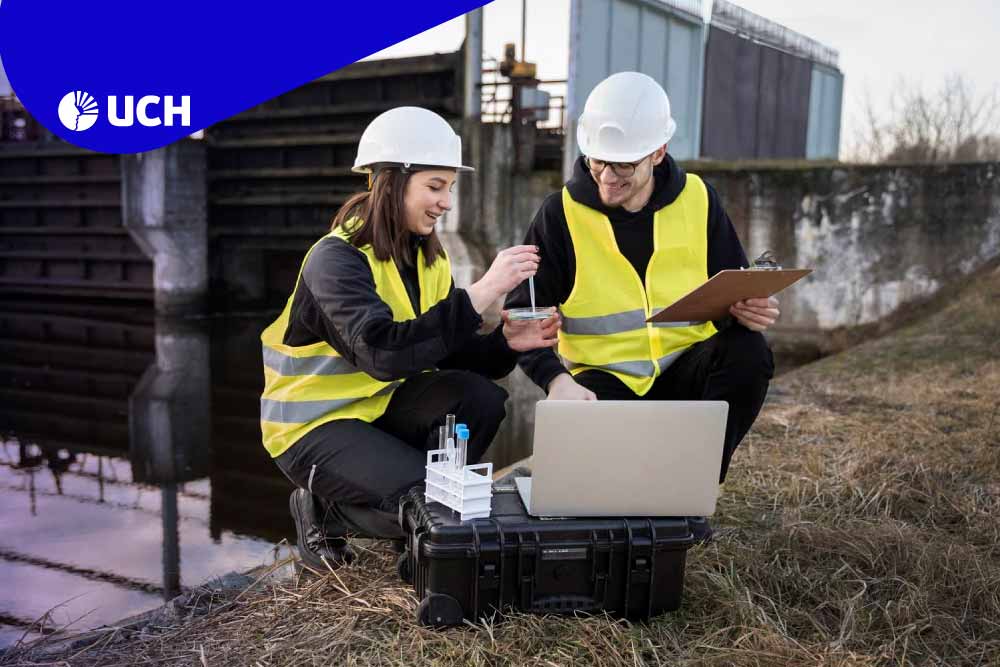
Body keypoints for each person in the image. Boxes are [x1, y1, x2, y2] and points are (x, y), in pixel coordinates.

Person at [261, 106, 560, 570]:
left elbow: (448, 352)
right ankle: (323, 510)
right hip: (311, 429)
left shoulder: (429, 262)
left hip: (378, 410)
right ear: (391, 181)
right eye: (434, 187)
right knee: (431, 501)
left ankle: (419, 522)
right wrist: (483, 290)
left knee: (480, 397)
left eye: (450, 189)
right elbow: (381, 353)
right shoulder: (335, 261)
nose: (445, 202)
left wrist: (507, 343)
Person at [504, 72, 778, 539]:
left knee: (750, 353)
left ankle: (690, 493)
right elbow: (522, 318)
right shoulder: (560, 214)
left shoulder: (698, 200)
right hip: (603, 386)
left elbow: (736, 289)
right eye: (598, 162)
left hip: (687, 370)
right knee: (605, 500)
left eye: (625, 166)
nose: (608, 178)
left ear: (657, 153)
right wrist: (556, 381)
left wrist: (754, 310)